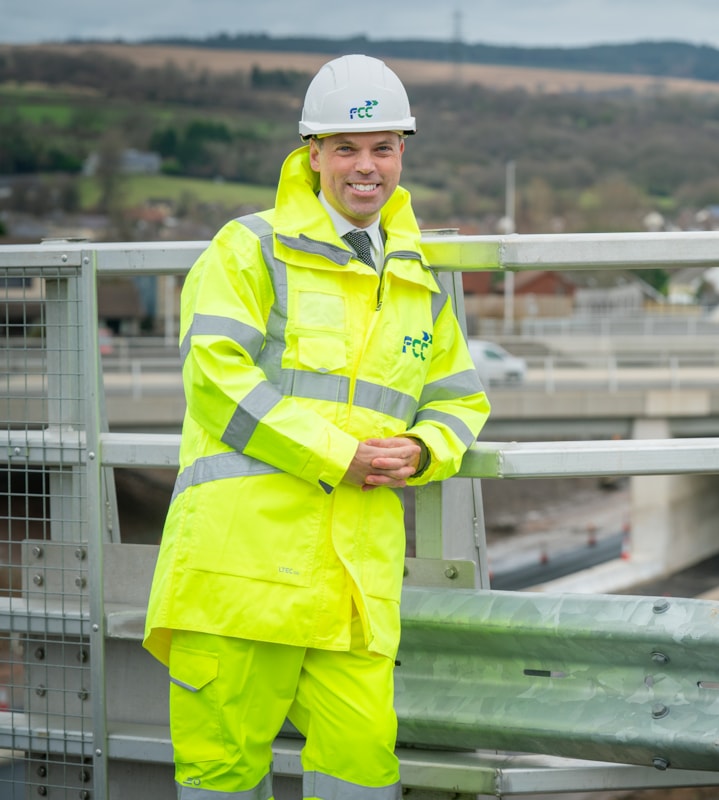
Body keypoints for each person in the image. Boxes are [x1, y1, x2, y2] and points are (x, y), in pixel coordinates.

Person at [143, 54, 491, 799]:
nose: (366, 167)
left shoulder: (414, 276)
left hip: (354, 588)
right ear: (312, 154)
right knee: (222, 778)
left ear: (403, 152)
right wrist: (343, 456)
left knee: (363, 776)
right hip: (241, 573)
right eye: (346, 148)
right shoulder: (250, 249)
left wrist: (426, 448)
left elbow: (460, 398)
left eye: (383, 148)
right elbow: (216, 380)